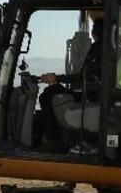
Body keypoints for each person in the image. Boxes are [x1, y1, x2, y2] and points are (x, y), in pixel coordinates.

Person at [36, 18, 104, 149]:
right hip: (88, 90)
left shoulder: (102, 49)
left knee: (47, 96)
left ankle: (53, 140)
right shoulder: (98, 47)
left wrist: (56, 78)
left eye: (95, 28)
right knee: (52, 91)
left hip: (92, 94)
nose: (93, 31)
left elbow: (86, 75)